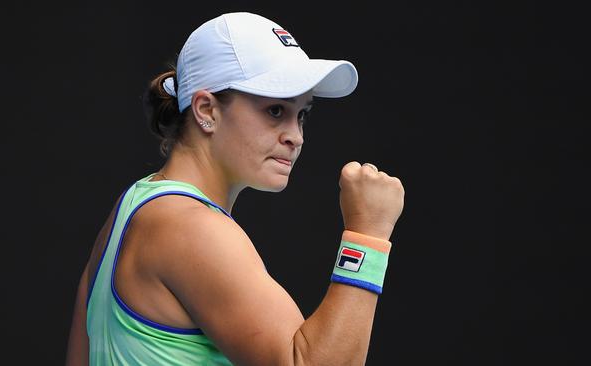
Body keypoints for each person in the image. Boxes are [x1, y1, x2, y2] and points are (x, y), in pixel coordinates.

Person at [65, 11, 405, 366]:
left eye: (301, 114)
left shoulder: (133, 206)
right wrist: (367, 234)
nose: (296, 135)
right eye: (275, 110)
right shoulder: (193, 228)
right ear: (206, 110)